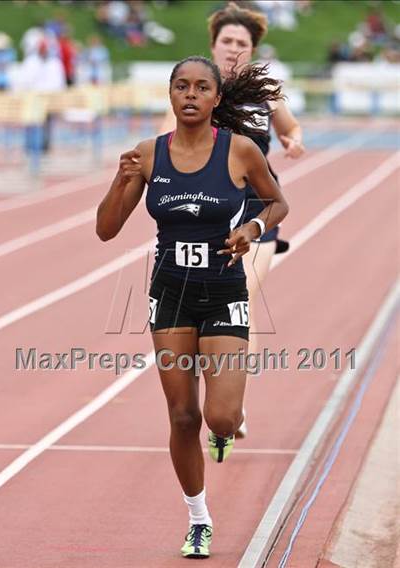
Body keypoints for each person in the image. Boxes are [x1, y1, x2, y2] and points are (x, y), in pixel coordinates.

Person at [96, 55, 288, 559]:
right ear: (170, 93)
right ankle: (199, 518)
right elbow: (106, 229)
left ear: (216, 99)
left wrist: (251, 229)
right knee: (183, 416)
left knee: (219, 418)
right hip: (172, 295)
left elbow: (277, 202)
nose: (190, 95)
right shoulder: (149, 155)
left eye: (202, 88)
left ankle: (229, 421)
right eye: (181, 86)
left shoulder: (241, 151)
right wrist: (121, 179)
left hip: (224, 292)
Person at [159, 2, 305, 438]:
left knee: (242, 295)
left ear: (253, 48)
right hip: (208, 211)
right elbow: (166, 134)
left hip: (259, 209)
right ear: (213, 44)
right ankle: (216, 381)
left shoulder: (265, 91)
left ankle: (233, 407)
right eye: (228, 41)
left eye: (243, 43)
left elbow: (291, 129)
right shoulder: (197, 88)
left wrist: (294, 142)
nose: (234, 49)